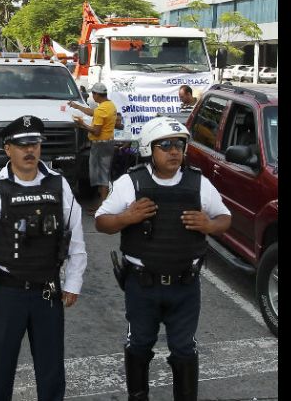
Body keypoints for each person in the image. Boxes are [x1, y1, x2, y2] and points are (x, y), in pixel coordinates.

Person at [94, 116, 231, 401]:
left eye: (179, 145)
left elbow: (224, 218)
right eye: (165, 145)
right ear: (148, 148)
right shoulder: (130, 183)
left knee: (184, 350)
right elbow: (101, 222)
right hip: (142, 286)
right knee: (139, 345)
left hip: (185, 287)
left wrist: (209, 225)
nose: (174, 151)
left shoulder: (199, 183)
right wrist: (126, 217)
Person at [0, 114, 87, 401]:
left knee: (51, 368)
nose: (30, 150)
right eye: (22, 145)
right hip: (6, 294)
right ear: (8, 149)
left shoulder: (59, 185)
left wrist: (73, 282)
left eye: (35, 144)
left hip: (47, 291)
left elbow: (76, 238)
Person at [68, 81, 117, 214]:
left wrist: (82, 124)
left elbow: (96, 131)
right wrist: (77, 106)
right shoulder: (109, 105)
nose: (92, 97)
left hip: (100, 145)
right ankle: (101, 205)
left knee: (101, 176)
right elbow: (92, 113)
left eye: (93, 94)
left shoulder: (101, 110)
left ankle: (103, 208)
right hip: (108, 143)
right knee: (103, 174)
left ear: (97, 94)